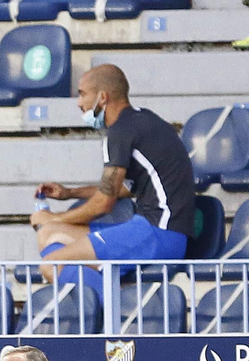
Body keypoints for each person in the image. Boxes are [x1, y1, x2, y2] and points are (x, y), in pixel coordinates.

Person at [32, 65, 196, 282]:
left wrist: (53, 217)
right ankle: (101, 293)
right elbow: (125, 188)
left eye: (82, 94)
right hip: (158, 231)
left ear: (102, 98)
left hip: (159, 234)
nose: (79, 103)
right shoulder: (142, 119)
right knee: (48, 234)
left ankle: (113, 313)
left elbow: (103, 203)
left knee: (52, 264)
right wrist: (69, 193)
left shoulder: (119, 132)